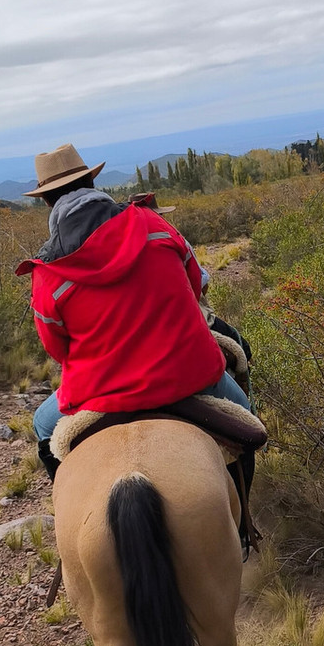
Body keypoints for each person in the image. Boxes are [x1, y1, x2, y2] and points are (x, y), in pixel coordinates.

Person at [15, 143, 251, 478]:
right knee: (247, 424)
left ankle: (66, 501)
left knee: (43, 425)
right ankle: (242, 510)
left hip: (100, 393)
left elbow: (57, 348)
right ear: (92, 183)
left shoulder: (46, 271)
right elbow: (195, 284)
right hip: (187, 373)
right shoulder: (154, 224)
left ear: (47, 201)